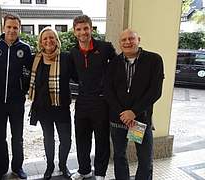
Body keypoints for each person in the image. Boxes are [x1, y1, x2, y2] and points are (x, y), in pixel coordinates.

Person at [105, 29, 164, 180]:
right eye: (123, 40)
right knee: (119, 155)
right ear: (120, 43)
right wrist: (123, 114)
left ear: (139, 40)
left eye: (131, 38)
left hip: (139, 120)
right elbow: (108, 92)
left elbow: (155, 91)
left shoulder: (154, 60)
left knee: (144, 158)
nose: (127, 42)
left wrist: (134, 112)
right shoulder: (113, 63)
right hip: (119, 120)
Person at [0, 13, 32, 180]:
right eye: (9, 27)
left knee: (17, 137)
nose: (12, 30)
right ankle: (1, 169)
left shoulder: (25, 49)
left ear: (19, 29)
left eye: (15, 27)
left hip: (17, 102)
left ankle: (18, 167)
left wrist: (24, 91)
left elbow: (31, 73)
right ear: (3, 27)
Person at [70, 15, 116, 180]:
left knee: (101, 139)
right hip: (82, 102)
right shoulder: (73, 52)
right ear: (74, 32)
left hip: (101, 102)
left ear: (91, 28)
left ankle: (100, 172)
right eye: (79, 29)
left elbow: (116, 69)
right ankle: (84, 170)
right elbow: (74, 76)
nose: (83, 32)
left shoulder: (105, 48)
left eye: (86, 28)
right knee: (82, 138)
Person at [28, 27, 74, 180]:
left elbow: (79, 77)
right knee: (48, 138)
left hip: (61, 107)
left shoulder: (66, 58)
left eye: (51, 37)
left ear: (56, 40)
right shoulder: (35, 59)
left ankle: (62, 165)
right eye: (45, 38)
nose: (48, 41)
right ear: (41, 42)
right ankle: (49, 166)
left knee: (66, 139)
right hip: (43, 108)